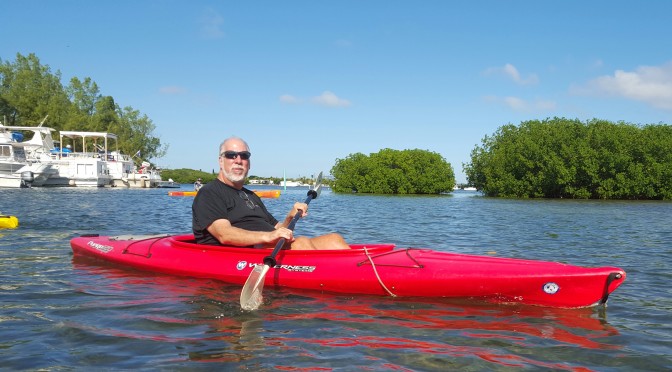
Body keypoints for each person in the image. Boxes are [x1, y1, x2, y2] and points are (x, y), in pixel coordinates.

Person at [192, 136, 350, 250]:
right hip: (243, 253)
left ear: (249, 162)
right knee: (301, 243)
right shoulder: (209, 193)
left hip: (269, 245)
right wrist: (267, 237)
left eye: (244, 156)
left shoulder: (251, 196)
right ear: (221, 160)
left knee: (334, 239)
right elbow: (224, 235)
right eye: (231, 155)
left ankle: (361, 276)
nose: (238, 160)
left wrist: (290, 216)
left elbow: (277, 229)